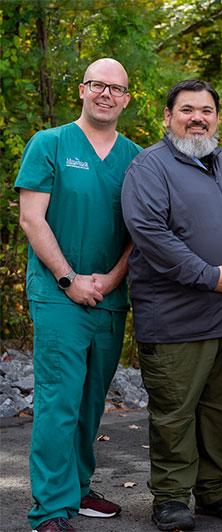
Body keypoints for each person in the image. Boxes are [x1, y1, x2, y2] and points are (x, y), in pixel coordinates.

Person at [121, 79, 222, 531]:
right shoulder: (150, 166)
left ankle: (216, 491)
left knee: (221, 409)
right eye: (186, 109)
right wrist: (211, 276)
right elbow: (151, 236)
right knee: (176, 413)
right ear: (167, 116)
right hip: (175, 316)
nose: (197, 117)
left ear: (217, 117)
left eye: (206, 110)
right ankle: (171, 497)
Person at [15, 58, 140, 532]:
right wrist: (69, 279)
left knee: (91, 401)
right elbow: (32, 219)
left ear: (126, 99)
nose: (106, 94)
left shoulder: (136, 157)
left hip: (109, 295)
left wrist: (109, 280)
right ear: (82, 91)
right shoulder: (49, 144)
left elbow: (140, 231)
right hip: (57, 295)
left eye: (116, 88)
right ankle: (49, 508)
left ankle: (78, 488)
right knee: (60, 400)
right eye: (97, 85)